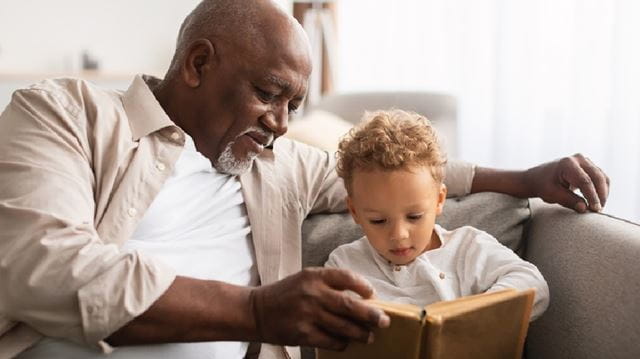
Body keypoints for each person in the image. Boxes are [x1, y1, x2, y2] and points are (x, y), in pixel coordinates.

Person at [0, 0, 609, 358]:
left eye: (295, 104)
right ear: (198, 64)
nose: (282, 124)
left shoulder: (277, 163)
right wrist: (256, 311)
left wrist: (527, 176)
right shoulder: (65, 114)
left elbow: (399, 176)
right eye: (269, 95)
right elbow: (43, 267)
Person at [325, 110, 549, 321]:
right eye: (378, 221)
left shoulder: (468, 248)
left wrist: (471, 313)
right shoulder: (345, 264)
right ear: (354, 211)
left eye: (414, 216)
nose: (399, 235)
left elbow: (533, 286)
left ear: (439, 200)